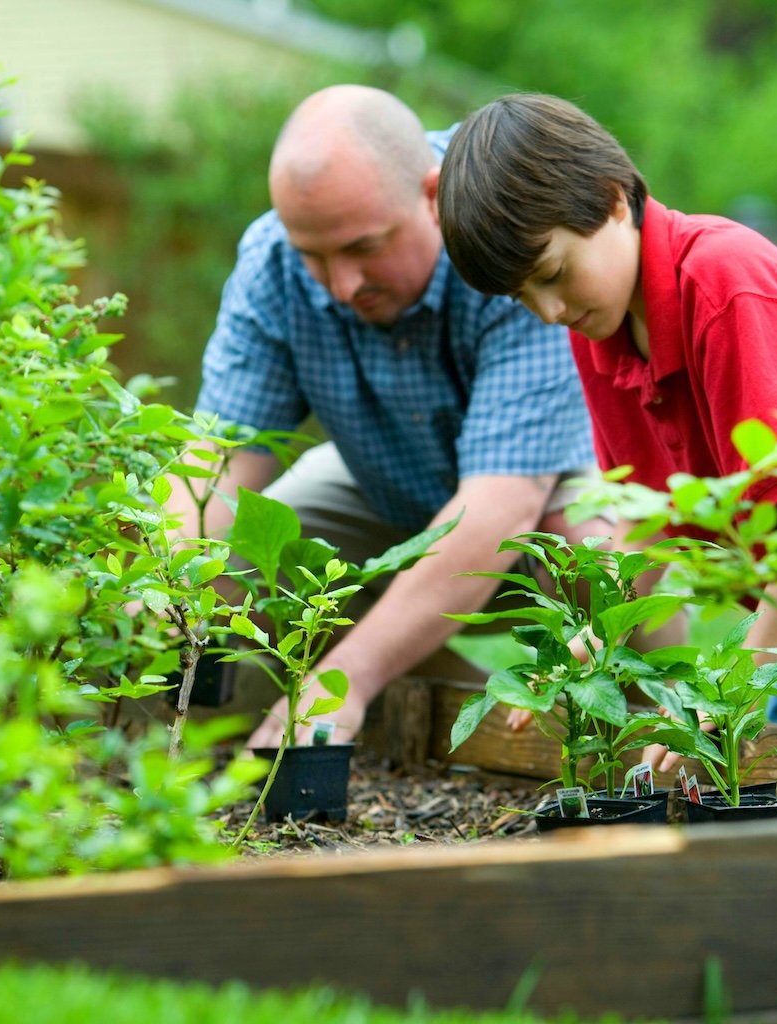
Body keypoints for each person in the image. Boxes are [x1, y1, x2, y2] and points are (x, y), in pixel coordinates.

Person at [180, 85, 602, 748]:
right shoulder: (271, 263)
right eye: (314, 256)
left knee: (596, 549)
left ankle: (633, 731)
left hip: (542, 489)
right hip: (382, 488)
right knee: (249, 555)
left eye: (364, 248)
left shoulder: (505, 232)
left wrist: (343, 676)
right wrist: (171, 579)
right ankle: (443, 714)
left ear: (433, 196)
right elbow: (218, 461)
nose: (341, 285)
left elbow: (501, 508)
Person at [436, 91, 777, 743]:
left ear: (612, 199)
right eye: (522, 297)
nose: (547, 310)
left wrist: (729, 691)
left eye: (552, 273)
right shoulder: (597, 331)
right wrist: (583, 652)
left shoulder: (722, 283)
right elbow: (648, 519)